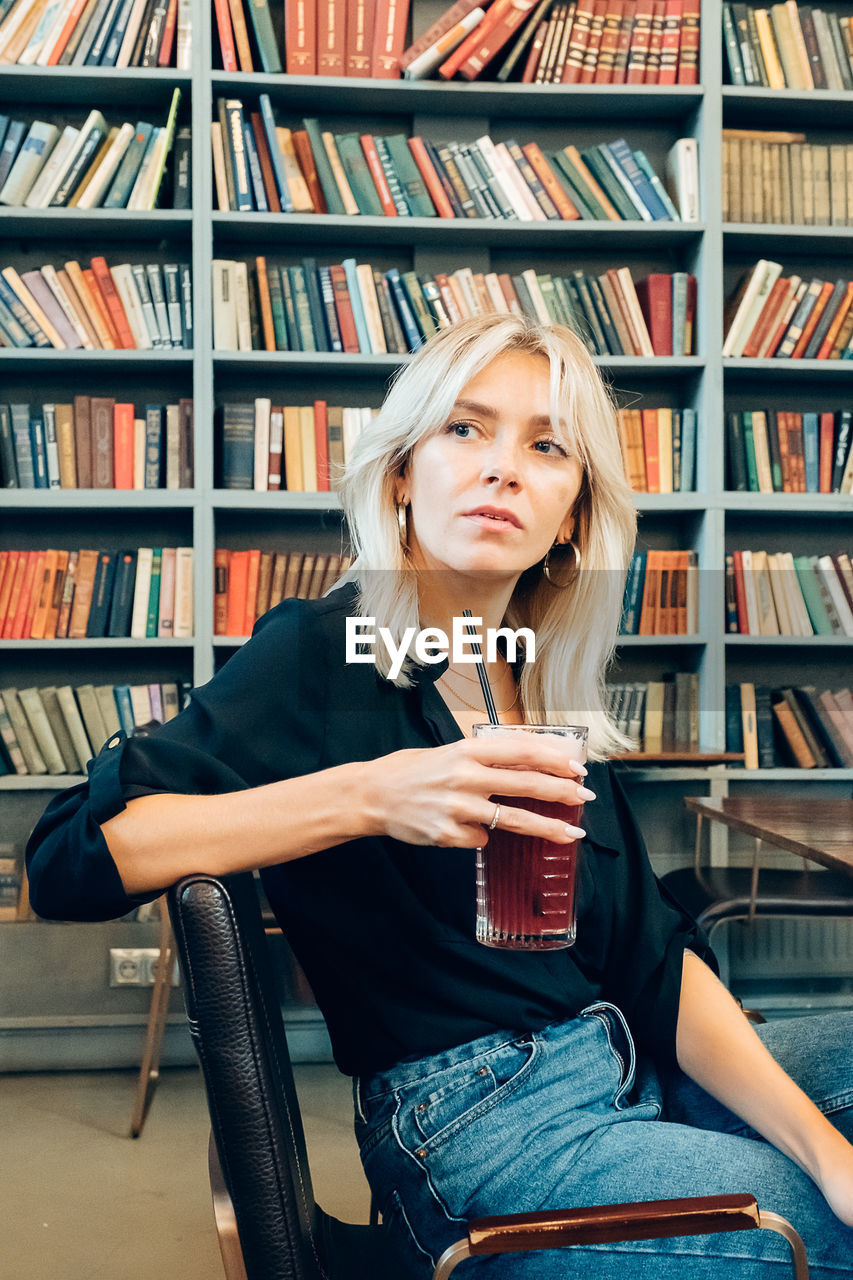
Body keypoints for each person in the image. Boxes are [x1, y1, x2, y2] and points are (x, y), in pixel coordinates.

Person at [26, 315, 853, 1278]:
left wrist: (823, 1153)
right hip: (477, 1124)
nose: (503, 468)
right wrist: (368, 795)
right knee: (808, 1227)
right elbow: (64, 865)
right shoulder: (324, 653)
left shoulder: (535, 684)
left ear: (573, 513)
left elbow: (652, 961)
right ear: (401, 475)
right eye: (464, 429)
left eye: (546, 446)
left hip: (620, 1062)